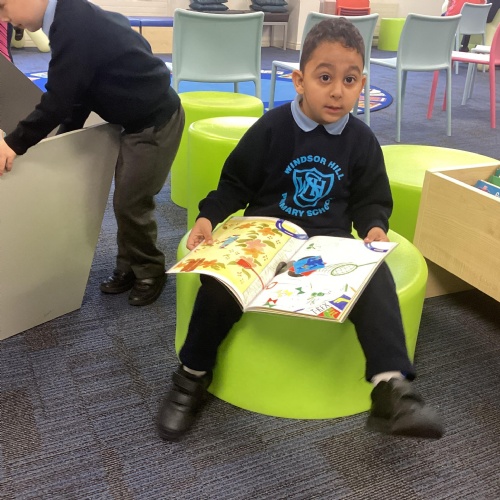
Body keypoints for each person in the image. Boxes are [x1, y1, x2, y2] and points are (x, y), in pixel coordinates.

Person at [157, 18, 445, 441]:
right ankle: (191, 377)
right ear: (299, 80)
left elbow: (370, 199)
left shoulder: (362, 140)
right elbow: (235, 182)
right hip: (263, 241)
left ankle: (391, 389)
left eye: (349, 80)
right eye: (324, 78)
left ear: (362, 85)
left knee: (375, 279)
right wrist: (207, 217)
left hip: (328, 246)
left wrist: (374, 227)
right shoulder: (272, 128)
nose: (337, 91)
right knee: (218, 288)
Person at [0, 0, 184, 306]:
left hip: (155, 122)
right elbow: (77, 89)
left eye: (4, 7)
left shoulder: (73, 22)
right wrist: (64, 137)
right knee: (126, 199)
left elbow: (57, 101)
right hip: (134, 120)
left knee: (130, 202)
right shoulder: (65, 19)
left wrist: (14, 143)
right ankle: (129, 266)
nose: (4, 19)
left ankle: (151, 269)